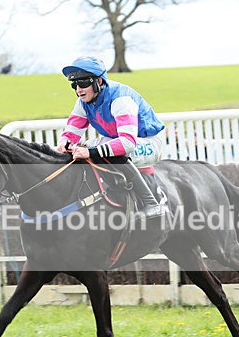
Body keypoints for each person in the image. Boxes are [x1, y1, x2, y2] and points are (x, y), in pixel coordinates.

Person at [55, 55, 166, 219]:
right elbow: (71, 133)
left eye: (84, 83)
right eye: (74, 84)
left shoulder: (120, 100)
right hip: (118, 139)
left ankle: (151, 203)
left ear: (98, 82)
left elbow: (127, 143)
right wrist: (64, 145)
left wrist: (91, 153)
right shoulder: (83, 102)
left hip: (147, 141)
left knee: (106, 153)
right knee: (79, 150)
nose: (79, 89)